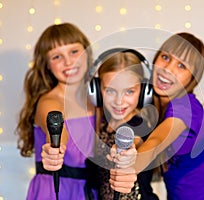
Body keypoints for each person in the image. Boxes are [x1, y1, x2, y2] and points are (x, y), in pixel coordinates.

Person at [15, 23, 135, 200]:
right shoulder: (48, 102)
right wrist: (55, 149)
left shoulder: (98, 97)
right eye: (57, 56)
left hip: (90, 190)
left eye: (74, 52)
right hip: (56, 189)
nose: (69, 62)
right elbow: (56, 131)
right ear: (46, 65)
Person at [110, 33, 204, 199]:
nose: (168, 69)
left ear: (192, 79)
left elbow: (158, 141)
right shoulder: (152, 103)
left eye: (182, 66)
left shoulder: (187, 107)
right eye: (165, 57)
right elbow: (141, 134)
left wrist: (131, 168)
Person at [90, 49, 159, 200]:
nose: (119, 101)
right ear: (96, 90)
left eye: (129, 92)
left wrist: (127, 152)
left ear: (143, 93)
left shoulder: (139, 125)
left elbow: (134, 142)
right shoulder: (101, 123)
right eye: (110, 91)